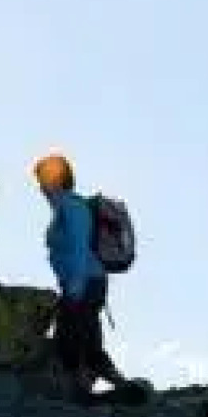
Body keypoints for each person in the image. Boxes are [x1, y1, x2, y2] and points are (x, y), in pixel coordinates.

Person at [33, 151, 142, 402]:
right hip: (88, 283)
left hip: (83, 284)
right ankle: (122, 386)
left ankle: (81, 390)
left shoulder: (72, 207)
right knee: (88, 337)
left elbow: (79, 247)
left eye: (42, 181)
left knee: (69, 337)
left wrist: (74, 287)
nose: (40, 189)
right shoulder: (68, 207)